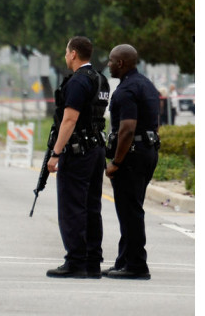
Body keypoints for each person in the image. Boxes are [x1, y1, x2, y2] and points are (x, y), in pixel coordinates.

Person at [45, 37, 110, 279]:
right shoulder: (100, 79)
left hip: (78, 151)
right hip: (96, 150)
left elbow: (69, 120)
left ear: (73, 54)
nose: (65, 56)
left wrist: (56, 153)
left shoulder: (78, 81)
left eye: (66, 52)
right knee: (92, 206)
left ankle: (75, 261)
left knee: (72, 207)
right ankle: (92, 260)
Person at [104, 44, 161, 280]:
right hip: (147, 151)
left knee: (130, 212)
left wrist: (116, 162)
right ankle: (124, 260)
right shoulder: (146, 85)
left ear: (121, 63)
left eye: (110, 61)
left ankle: (136, 265)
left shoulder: (127, 90)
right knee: (130, 209)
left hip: (132, 155)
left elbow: (127, 129)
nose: (107, 65)